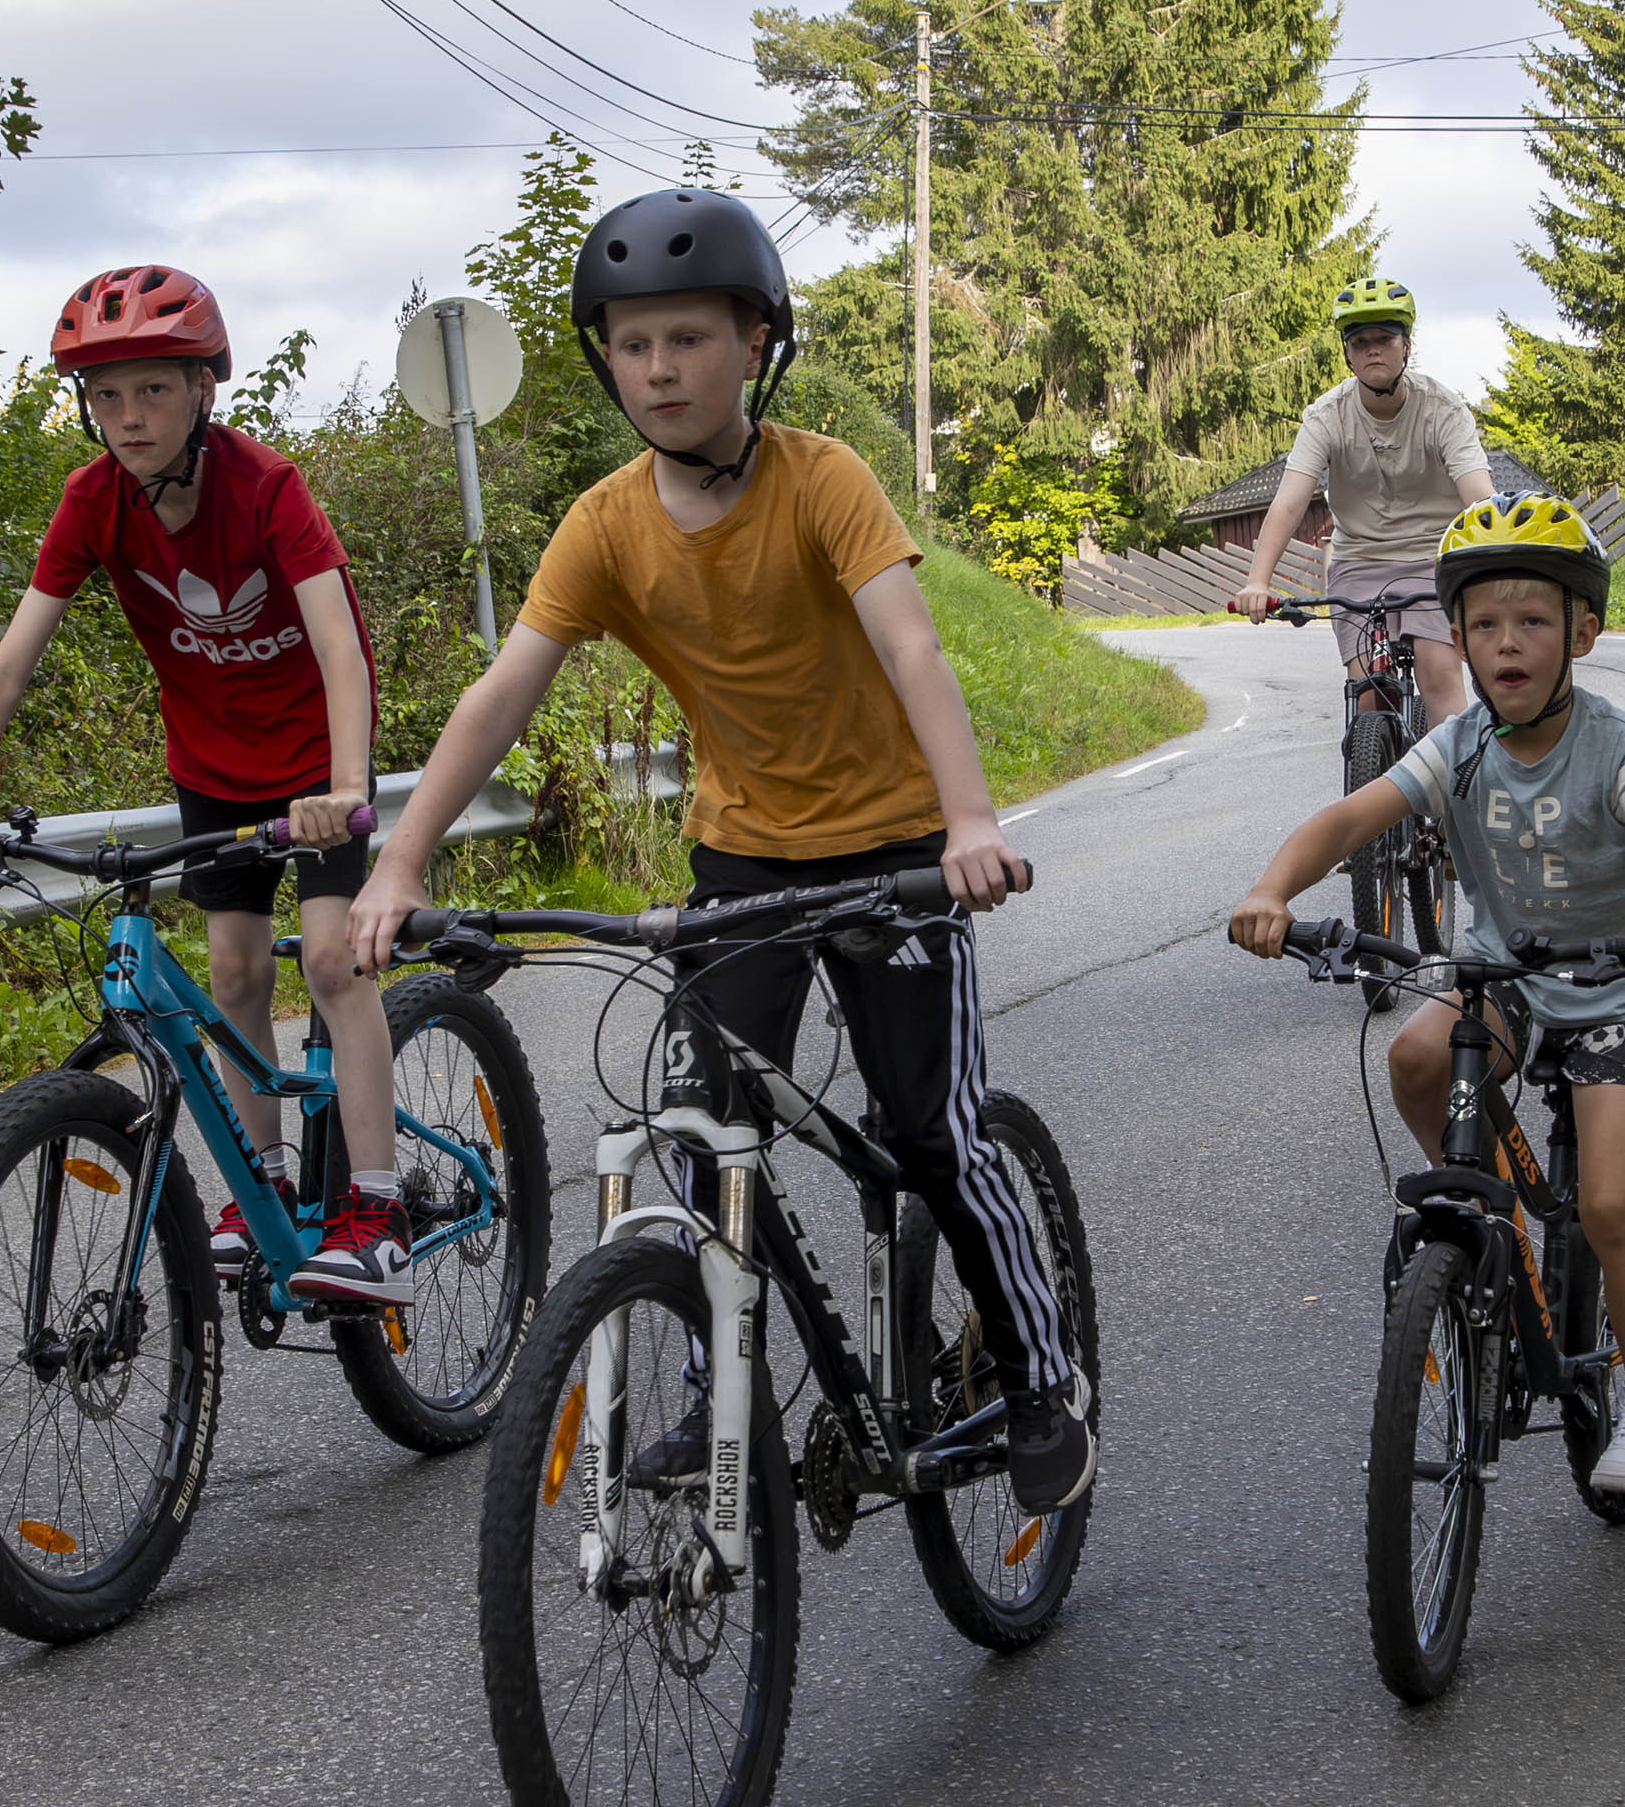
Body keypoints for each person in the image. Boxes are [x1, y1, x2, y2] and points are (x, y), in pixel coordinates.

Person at [344, 188, 1090, 1516]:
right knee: (701, 1137)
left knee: (932, 1132)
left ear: (754, 345)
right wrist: (401, 862)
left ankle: (1039, 1373)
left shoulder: (823, 479)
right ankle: (715, 1391)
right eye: (632, 344)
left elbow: (911, 646)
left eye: (687, 338)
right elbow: (503, 693)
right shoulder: (605, 523)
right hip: (742, 858)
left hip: (897, 847)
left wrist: (971, 819)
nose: (659, 368)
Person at [0, 266, 409, 1303]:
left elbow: (338, 647)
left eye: (153, 390)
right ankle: (260, 1193)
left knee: (331, 963)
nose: (128, 417)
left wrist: (345, 784)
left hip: (314, 764)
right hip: (212, 765)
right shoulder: (92, 502)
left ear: (203, 390)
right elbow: (11, 661)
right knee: (233, 973)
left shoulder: (267, 487)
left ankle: (379, 1212)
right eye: (106, 395)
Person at [1228, 496, 1625, 1497]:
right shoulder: (1459, 744)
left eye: (1532, 620)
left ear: (1582, 633)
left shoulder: (1614, 743)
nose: (1506, 642)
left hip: (1614, 988)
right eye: (1483, 623)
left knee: (1609, 1202)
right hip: (1506, 978)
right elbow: (1349, 819)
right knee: (1413, 1053)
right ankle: (1491, 1222)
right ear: (1457, 637)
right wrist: (1273, 890)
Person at [1227, 276, 1496, 725]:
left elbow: (1479, 497)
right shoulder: (1326, 416)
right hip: (1359, 562)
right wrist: (1258, 581)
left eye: (1385, 339)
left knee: (1439, 673)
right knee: (1366, 691)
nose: (1373, 351)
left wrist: (1500, 559)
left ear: (1406, 345)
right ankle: (1372, 762)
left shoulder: (1443, 410)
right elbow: (1290, 502)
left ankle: (1453, 771)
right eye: (1360, 342)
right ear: (1347, 353)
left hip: (1436, 559)